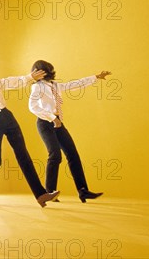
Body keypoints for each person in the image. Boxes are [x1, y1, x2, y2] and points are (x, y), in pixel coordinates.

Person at [0, 60, 60, 207]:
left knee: (23, 156)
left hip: (8, 118)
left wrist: (29, 77)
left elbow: (13, 82)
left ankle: (41, 195)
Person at [28, 60, 111, 203]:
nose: (43, 73)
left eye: (44, 70)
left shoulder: (55, 85)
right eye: (38, 71)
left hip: (58, 123)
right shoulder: (37, 87)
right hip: (45, 122)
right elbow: (33, 107)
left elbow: (75, 84)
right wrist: (52, 118)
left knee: (73, 154)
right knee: (55, 154)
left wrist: (96, 77)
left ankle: (83, 190)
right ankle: (50, 192)